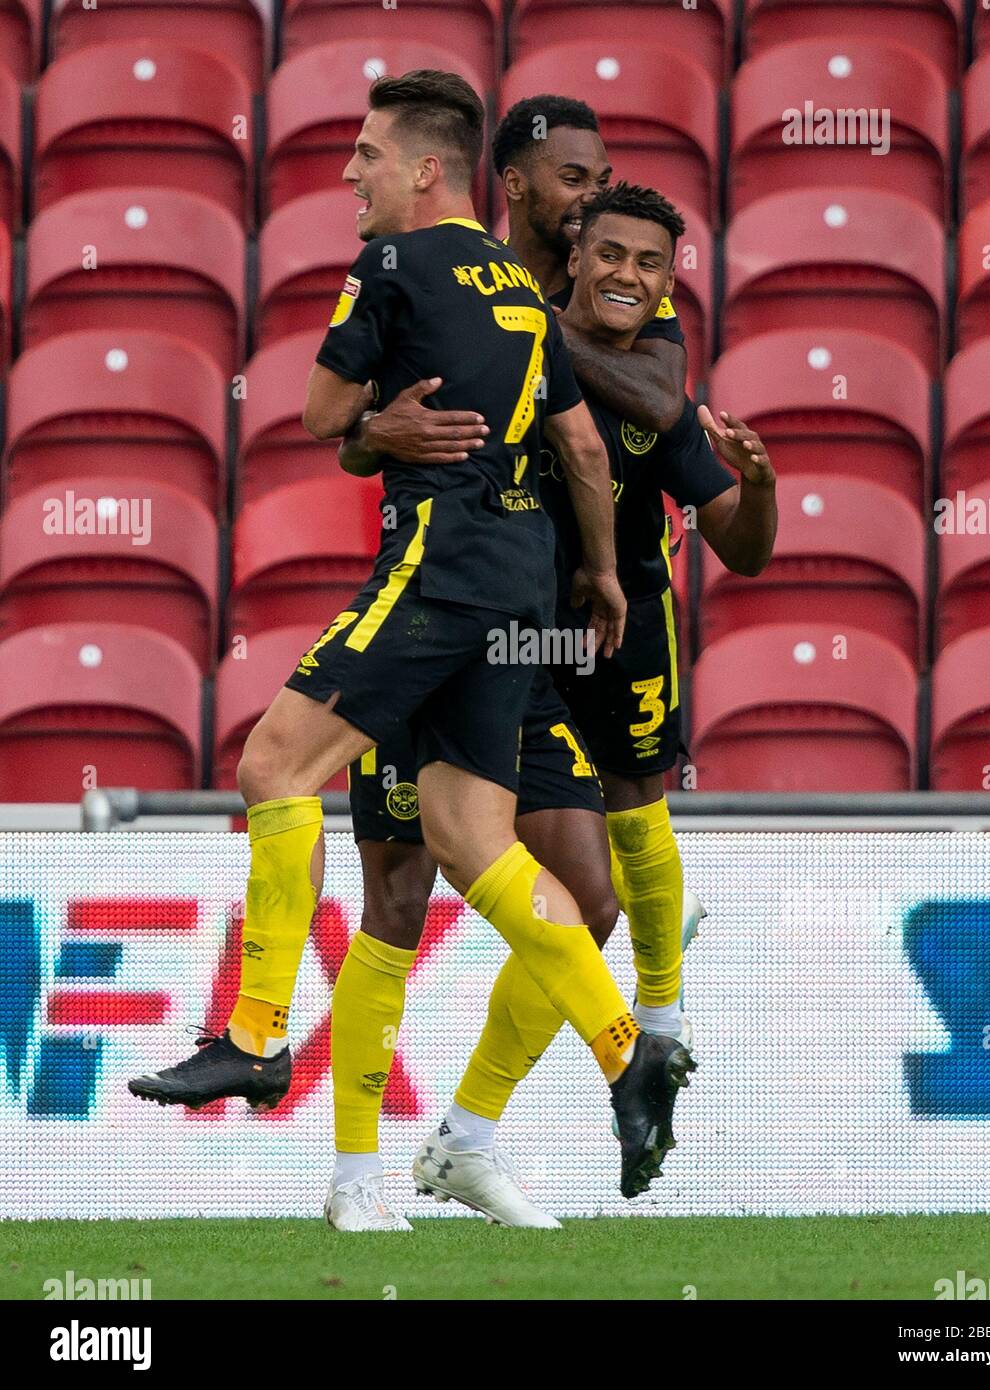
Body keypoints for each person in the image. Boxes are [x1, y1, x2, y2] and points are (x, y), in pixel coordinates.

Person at [128, 72, 692, 1215]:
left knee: (272, 765)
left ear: (426, 168)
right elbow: (584, 452)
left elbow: (322, 414)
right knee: (476, 838)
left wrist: (371, 427)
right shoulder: (527, 301)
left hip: (436, 576)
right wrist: (596, 573)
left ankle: (257, 1034)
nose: (350, 175)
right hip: (521, 601)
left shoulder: (393, 265)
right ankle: (626, 1044)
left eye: (367, 156)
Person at [333, 175, 776, 1231]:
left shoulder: (638, 392)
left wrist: (755, 484)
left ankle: (476, 1134)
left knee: (589, 893)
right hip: (438, 639)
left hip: (564, 657)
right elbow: (354, 434)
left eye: (650, 264)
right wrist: (374, 431)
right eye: (606, 247)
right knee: (396, 901)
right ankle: (356, 1177)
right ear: (567, 250)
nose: (626, 273)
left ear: (670, 285)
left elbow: (741, 538)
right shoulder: (488, 340)